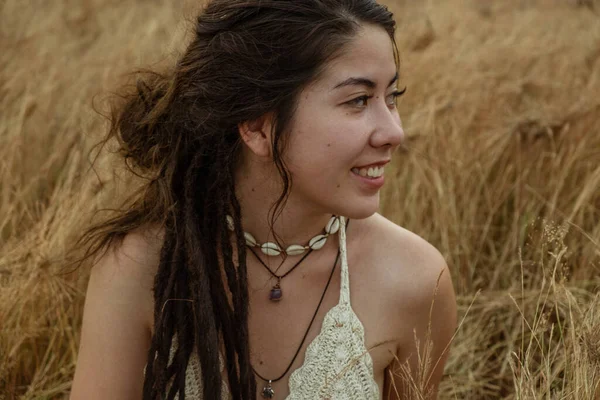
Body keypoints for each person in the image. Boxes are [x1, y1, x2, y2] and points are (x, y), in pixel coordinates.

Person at [69, 0, 457, 399]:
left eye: (392, 96)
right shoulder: (138, 267)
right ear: (257, 126)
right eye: (358, 100)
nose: (394, 132)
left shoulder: (415, 281)